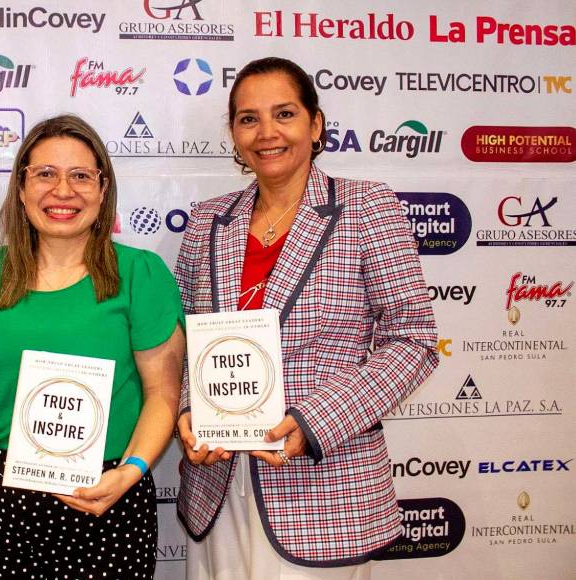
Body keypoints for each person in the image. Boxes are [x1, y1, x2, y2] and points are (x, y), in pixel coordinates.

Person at [176, 57, 439, 579]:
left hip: (322, 485)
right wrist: (190, 412)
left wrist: (314, 423)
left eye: (284, 114)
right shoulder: (209, 219)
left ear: (315, 125)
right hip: (217, 481)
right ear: (233, 132)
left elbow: (414, 341)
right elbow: (185, 340)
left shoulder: (367, 207)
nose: (266, 133)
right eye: (248, 118)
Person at [0, 114, 184, 579]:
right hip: (3, 502)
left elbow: (163, 393)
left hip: (111, 491)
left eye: (81, 175)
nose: (63, 190)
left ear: (103, 191)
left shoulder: (141, 275)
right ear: (21, 189)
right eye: (45, 174)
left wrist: (132, 470)